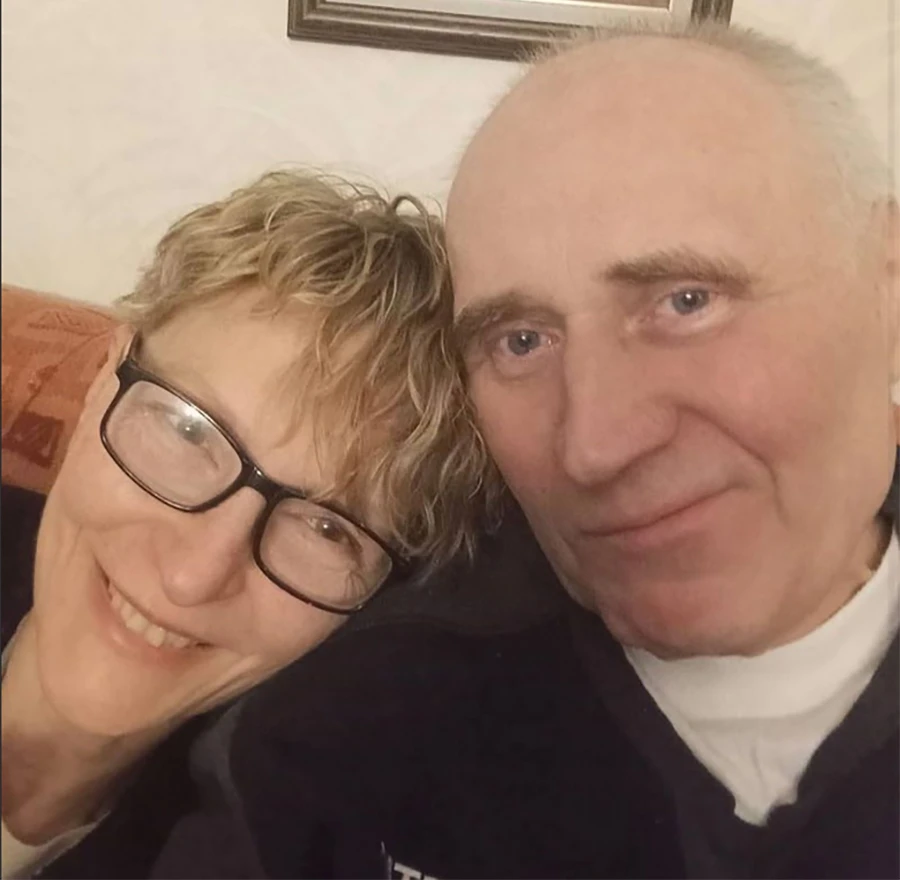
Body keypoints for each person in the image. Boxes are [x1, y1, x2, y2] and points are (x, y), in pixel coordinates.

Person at [148, 18, 899, 880]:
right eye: (521, 342)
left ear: (887, 284)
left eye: (687, 301)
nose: (594, 445)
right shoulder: (352, 725)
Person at [0, 169, 496, 879]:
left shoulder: (255, 835)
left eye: (327, 528)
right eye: (188, 432)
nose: (192, 576)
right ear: (102, 380)